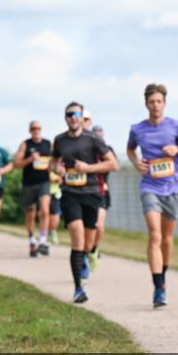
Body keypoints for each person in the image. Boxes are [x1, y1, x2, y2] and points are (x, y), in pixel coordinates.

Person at [126, 84, 178, 308]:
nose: (155, 105)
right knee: (155, 236)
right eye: (151, 102)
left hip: (173, 187)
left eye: (158, 101)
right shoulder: (138, 129)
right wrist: (136, 163)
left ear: (164, 103)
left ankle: (162, 277)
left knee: (167, 238)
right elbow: (130, 149)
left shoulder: (175, 126)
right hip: (150, 187)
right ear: (146, 104)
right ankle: (158, 288)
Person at [52, 102, 118, 304]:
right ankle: (78, 288)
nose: (73, 117)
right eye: (69, 114)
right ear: (66, 118)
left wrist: (87, 168)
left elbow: (113, 164)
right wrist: (58, 169)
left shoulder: (93, 139)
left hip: (91, 194)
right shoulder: (60, 140)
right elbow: (53, 162)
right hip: (70, 194)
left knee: (88, 242)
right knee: (77, 237)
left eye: (77, 114)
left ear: (82, 117)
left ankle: (88, 256)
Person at [13, 121, 52, 258]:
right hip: (29, 183)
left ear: (41, 130)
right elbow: (16, 163)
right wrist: (30, 159)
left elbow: (56, 161)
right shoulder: (26, 144)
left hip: (44, 182)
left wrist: (52, 169)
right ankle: (31, 239)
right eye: (33, 128)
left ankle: (43, 240)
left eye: (38, 128)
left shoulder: (48, 144)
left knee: (45, 210)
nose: (36, 130)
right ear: (30, 130)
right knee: (30, 212)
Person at [88, 124, 113, 272]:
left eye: (100, 135)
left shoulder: (108, 151)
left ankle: (94, 249)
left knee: (99, 226)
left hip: (102, 192)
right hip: (87, 192)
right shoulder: (87, 151)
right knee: (88, 226)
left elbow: (112, 165)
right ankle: (86, 250)